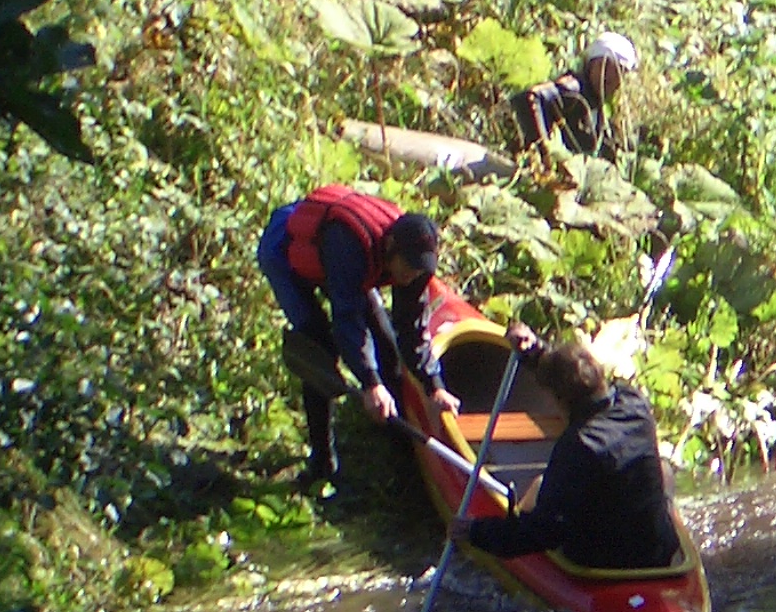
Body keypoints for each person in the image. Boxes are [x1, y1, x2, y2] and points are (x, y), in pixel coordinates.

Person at [256, 185, 459, 484]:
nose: (411, 276)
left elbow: (411, 329)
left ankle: (400, 451)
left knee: (388, 349)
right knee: (319, 345)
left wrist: (434, 385)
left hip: (345, 262)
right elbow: (347, 320)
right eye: (408, 267)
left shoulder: (414, 264)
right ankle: (322, 463)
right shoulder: (350, 245)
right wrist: (370, 382)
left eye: (419, 271)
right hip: (285, 253)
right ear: (391, 247)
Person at [450, 323, 683, 572]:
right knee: (663, 471)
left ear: (560, 399)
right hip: (658, 551)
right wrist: (536, 352)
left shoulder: (579, 445)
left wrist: (476, 531)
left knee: (539, 487)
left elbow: (543, 531)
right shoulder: (634, 402)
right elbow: (576, 377)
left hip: (607, 562)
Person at [512, 31, 638, 159]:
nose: (609, 76)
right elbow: (531, 98)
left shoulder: (596, 107)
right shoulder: (574, 90)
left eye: (617, 71)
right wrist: (543, 152)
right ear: (591, 64)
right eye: (604, 66)